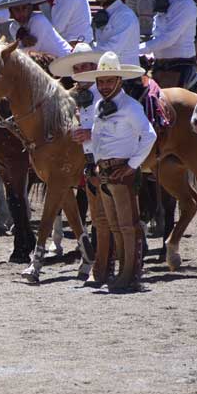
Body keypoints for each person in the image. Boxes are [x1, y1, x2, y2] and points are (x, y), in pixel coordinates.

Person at [73, 52, 156, 292]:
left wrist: (131, 166)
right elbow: (98, 137)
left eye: (109, 81)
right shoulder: (100, 105)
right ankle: (123, 272)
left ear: (119, 81)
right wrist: (97, 164)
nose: (105, 85)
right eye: (101, 81)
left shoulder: (130, 107)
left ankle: (130, 274)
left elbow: (149, 135)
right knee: (115, 224)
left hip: (122, 169)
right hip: (105, 171)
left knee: (127, 225)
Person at [50, 44, 111, 286]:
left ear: (95, 68)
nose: (82, 71)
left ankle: (110, 264)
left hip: (106, 160)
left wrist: (90, 133)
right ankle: (99, 263)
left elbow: (115, 126)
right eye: (77, 67)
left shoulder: (105, 94)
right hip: (86, 164)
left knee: (109, 217)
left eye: (86, 66)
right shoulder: (70, 97)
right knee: (97, 217)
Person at [71, 0, 144, 99]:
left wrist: (83, 54)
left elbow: (112, 50)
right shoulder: (105, 15)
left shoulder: (125, 16)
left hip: (126, 78)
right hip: (107, 77)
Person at [0, 0, 71, 58]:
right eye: (16, 9)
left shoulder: (39, 21)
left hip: (67, 59)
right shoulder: (13, 27)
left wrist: (8, 51)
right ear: (11, 11)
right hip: (49, 64)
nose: (21, 12)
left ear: (30, 8)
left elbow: (31, 52)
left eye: (24, 8)